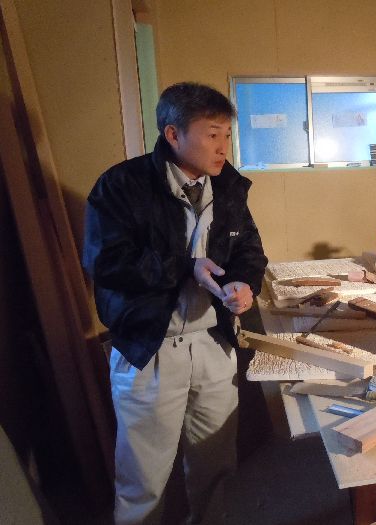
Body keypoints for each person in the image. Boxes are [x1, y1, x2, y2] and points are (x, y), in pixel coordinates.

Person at [82, 82, 268, 524]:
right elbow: (106, 263)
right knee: (143, 481)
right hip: (150, 348)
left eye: (227, 134)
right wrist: (186, 267)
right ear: (173, 135)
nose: (223, 147)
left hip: (212, 342)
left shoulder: (227, 187)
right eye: (211, 134)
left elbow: (249, 251)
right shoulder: (122, 186)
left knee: (217, 466)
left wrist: (244, 284)